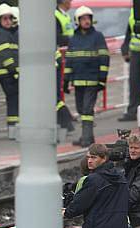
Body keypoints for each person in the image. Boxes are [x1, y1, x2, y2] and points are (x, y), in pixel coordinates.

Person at [64, 144, 129, 228]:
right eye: (88, 157)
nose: (89, 161)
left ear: (104, 158)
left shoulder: (94, 180)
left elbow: (78, 206)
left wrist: (66, 212)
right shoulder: (120, 176)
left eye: (93, 157)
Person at [64, 6, 109, 147]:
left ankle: (86, 138)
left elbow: (104, 58)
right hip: (78, 81)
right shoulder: (73, 39)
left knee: (87, 110)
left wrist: (102, 79)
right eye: (83, 18)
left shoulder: (98, 37)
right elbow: (69, 60)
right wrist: (65, 81)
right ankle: (88, 136)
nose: (86, 21)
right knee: (81, 109)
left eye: (88, 18)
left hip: (92, 80)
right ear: (78, 21)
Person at [0, 3, 19, 137]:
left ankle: (14, 130)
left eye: (9, 18)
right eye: (4, 19)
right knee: (14, 99)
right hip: (8, 73)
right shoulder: (1, 34)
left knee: (14, 99)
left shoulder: (4, 32)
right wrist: (17, 71)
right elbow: (6, 56)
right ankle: (13, 130)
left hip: (8, 72)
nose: (8, 21)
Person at [119, 6, 140, 122]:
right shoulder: (134, 10)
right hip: (135, 53)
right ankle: (132, 112)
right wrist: (125, 48)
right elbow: (129, 31)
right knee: (134, 83)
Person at [55, 0, 75, 133]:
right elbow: (56, 37)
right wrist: (73, 40)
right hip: (57, 58)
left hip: (59, 58)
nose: (71, 3)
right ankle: (66, 121)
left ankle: (65, 122)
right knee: (55, 96)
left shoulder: (65, 16)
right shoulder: (55, 16)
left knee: (56, 95)